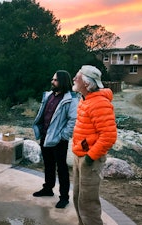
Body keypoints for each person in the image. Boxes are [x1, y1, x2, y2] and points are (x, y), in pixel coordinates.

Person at [71, 65, 117, 225]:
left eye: (78, 76)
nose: (74, 79)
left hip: (90, 159)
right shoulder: (84, 100)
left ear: (87, 83)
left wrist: (91, 156)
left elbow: (109, 136)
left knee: (88, 203)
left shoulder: (99, 103)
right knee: (78, 197)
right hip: (80, 156)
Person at [32, 70, 78, 208]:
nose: (52, 82)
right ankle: (48, 188)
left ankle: (64, 197)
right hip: (46, 136)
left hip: (59, 140)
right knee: (48, 165)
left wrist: (63, 136)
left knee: (62, 168)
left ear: (62, 81)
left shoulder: (70, 98)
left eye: (55, 80)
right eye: (52, 79)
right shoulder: (49, 96)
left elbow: (73, 119)